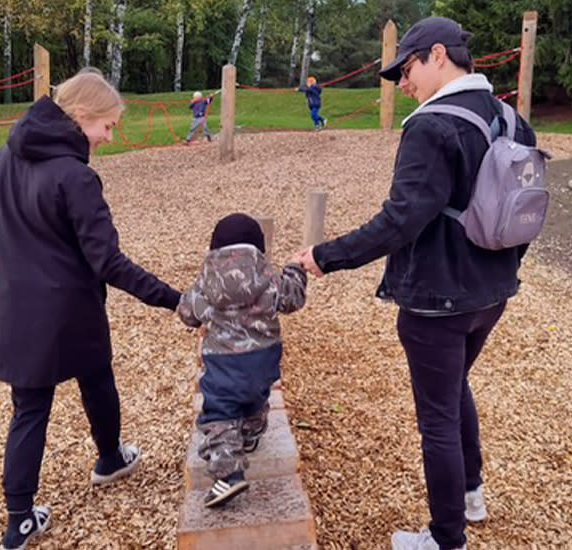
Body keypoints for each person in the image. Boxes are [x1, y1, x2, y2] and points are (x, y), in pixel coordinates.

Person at [295, 16, 537, 550]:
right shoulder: (511, 120)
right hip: (492, 293)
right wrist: (504, 269)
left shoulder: (431, 126)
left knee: (437, 421)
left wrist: (323, 256)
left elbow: (401, 220)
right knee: (454, 391)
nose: (402, 84)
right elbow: (525, 212)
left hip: (436, 300)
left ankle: (446, 537)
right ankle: (470, 494)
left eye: (406, 70)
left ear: (437, 55)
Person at [0, 70, 182, 550]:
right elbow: (108, 261)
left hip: (18, 307)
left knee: (30, 409)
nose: (109, 137)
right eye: (107, 126)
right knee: (95, 377)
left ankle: (19, 521)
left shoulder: (2, 157)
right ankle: (109, 458)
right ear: (82, 115)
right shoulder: (76, 175)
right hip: (70, 306)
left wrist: (10, 287)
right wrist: (176, 300)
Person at [177, 213, 307, 507]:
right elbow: (294, 298)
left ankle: (228, 475)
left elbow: (187, 313)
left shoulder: (206, 284)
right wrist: (295, 269)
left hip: (224, 363)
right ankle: (250, 430)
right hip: (263, 360)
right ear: (258, 250)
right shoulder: (270, 280)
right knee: (255, 396)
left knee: (219, 414)